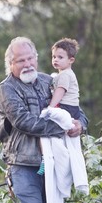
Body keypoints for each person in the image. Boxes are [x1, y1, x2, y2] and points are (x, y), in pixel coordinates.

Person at [0, 36, 88, 203]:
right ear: (11, 65)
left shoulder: (50, 81)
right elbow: (25, 122)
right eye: (20, 61)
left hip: (50, 161)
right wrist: (63, 127)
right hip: (22, 163)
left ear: (36, 58)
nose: (26, 64)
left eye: (29, 58)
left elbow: (75, 109)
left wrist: (80, 125)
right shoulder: (6, 89)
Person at [37, 38, 81, 175]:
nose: (55, 60)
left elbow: (60, 92)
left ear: (71, 60)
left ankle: (46, 158)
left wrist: (50, 108)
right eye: (54, 56)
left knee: (46, 132)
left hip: (67, 107)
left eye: (60, 57)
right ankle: (50, 159)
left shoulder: (65, 75)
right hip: (72, 108)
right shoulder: (62, 74)